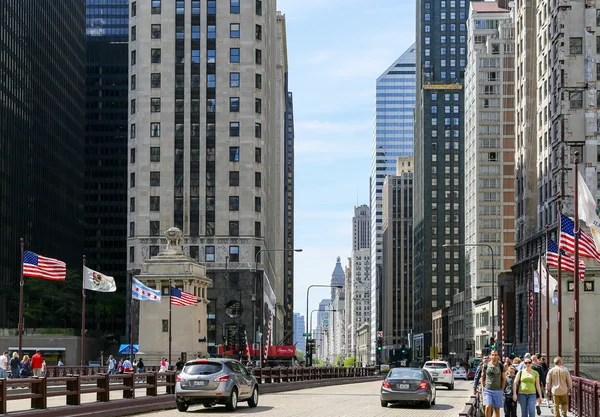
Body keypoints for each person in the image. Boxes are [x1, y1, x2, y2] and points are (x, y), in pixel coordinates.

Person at [481, 350, 506, 417]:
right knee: (487, 407)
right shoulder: (486, 365)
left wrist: (502, 390)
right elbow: (482, 377)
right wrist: (483, 388)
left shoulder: (501, 365)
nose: (494, 356)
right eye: (492, 355)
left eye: (495, 355)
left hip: (497, 390)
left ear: (497, 356)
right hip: (487, 390)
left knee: (496, 410)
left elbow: (504, 379)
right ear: (490, 356)